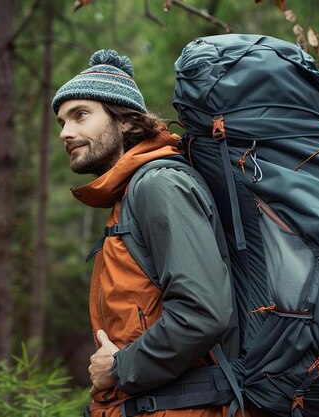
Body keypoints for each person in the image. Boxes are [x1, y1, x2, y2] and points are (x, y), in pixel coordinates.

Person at [52, 50, 258, 417]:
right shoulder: (131, 193)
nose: (66, 132)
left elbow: (203, 312)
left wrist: (118, 368)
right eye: (62, 122)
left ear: (127, 122)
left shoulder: (159, 185)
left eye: (80, 115)